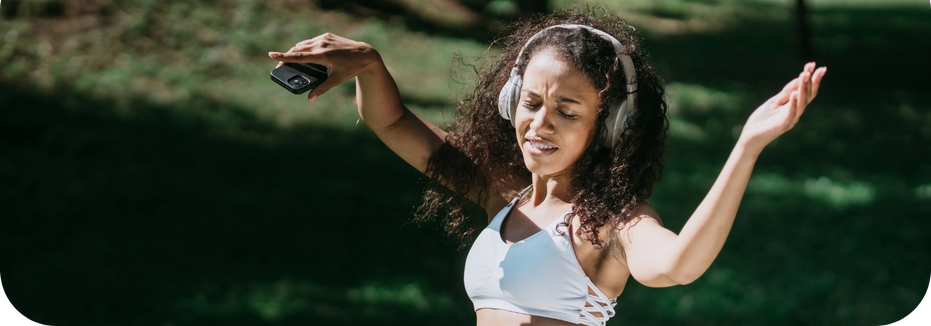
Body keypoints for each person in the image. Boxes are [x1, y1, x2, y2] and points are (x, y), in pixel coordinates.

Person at [268, 7, 826, 326]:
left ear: (607, 126)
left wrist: (747, 147)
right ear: (512, 101)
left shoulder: (609, 224)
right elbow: (394, 125)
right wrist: (368, 64)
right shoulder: (502, 194)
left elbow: (678, 265)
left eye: (568, 110)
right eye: (532, 103)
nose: (541, 123)